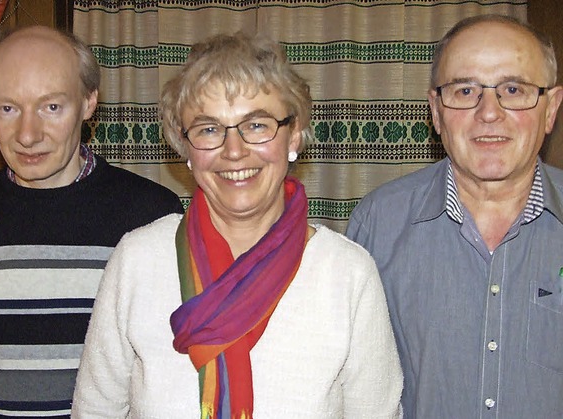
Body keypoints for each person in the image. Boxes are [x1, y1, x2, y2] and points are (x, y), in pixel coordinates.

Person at [72, 32, 403, 418]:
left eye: (257, 125)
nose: (234, 151)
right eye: (209, 129)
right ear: (186, 147)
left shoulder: (347, 273)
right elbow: (95, 411)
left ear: (293, 135)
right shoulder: (137, 259)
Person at [0, 25, 184, 417]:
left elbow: (172, 368)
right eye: (8, 108)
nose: (27, 135)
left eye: (51, 107)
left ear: (88, 103)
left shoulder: (152, 216)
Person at [346, 14, 563, 418]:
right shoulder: (376, 224)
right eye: (465, 90)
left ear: (550, 109)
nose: (489, 112)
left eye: (512, 89)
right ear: (436, 111)